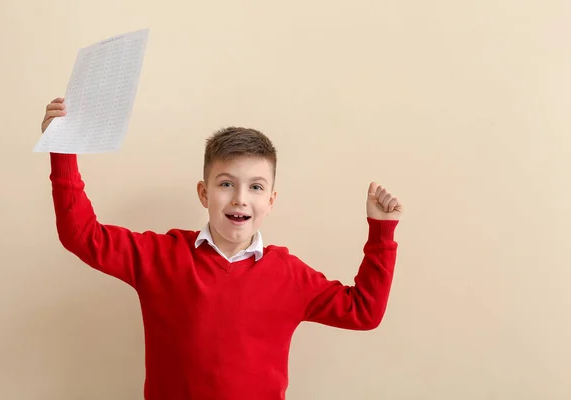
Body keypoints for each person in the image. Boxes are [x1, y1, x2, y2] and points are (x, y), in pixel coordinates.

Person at [41, 97, 403, 400]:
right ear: (204, 193)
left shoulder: (290, 275)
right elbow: (81, 235)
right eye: (226, 183)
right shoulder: (160, 255)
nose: (240, 199)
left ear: (271, 200)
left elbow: (363, 312)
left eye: (256, 187)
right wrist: (62, 151)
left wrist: (382, 232)